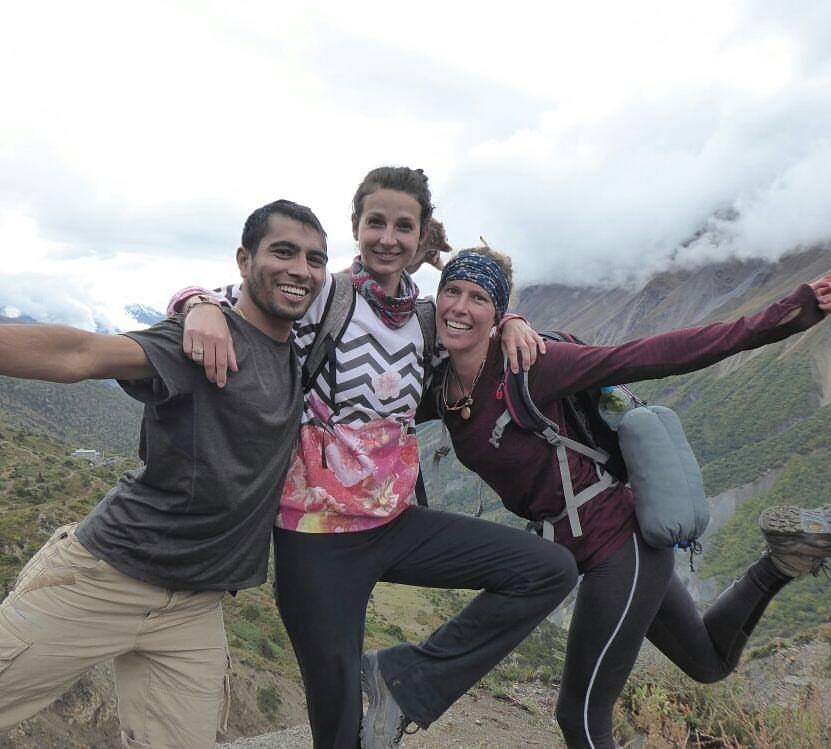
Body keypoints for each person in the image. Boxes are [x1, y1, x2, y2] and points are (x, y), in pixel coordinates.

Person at [363, 245, 831, 749]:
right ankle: (780, 561)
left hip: (619, 545)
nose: (460, 307)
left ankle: (405, 682)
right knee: (709, 661)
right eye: (452, 291)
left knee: (581, 716)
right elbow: (367, 393)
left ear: (496, 313)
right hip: (570, 546)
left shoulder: (530, 366)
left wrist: (792, 310)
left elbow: (658, 353)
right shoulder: (443, 386)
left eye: (478, 297)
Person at [172, 166, 575, 749]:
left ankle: (406, 677)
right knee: (338, 728)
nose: (388, 238)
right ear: (356, 226)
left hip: (395, 524)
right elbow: (231, 299)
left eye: (403, 227)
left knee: (547, 569)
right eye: (376, 222)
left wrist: (510, 319)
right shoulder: (324, 297)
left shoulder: (426, 319)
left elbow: (473, 316)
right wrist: (199, 304)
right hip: (314, 539)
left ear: (421, 236)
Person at [0, 199, 327, 748]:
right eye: (284, 252)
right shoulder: (199, 341)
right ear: (244, 260)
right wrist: (197, 308)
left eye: (314, 259)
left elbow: (383, 278)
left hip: (194, 608)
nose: (301, 269)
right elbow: (82, 355)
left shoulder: (297, 347)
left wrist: (197, 297)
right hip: (104, 578)